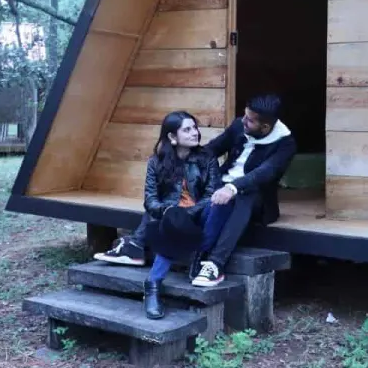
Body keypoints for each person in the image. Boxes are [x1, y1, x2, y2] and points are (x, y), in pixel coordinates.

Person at [146, 93, 296, 302]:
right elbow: (212, 150)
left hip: (254, 200)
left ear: (265, 127)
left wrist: (233, 187)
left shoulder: (285, 144)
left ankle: (215, 262)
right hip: (220, 191)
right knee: (174, 199)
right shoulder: (239, 125)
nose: (243, 120)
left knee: (245, 193)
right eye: (244, 115)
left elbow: (265, 173)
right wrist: (178, 158)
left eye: (250, 120)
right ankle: (140, 249)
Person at [93, 112, 218, 268]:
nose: (195, 133)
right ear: (172, 137)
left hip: (195, 215)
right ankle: (135, 248)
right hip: (167, 215)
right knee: (156, 209)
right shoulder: (156, 161)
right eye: (187, 130)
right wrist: (166, 211)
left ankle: (135, 246)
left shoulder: (207, 158)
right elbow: (150, 198)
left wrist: (184, 212)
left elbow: (210, 195)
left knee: (163, 214)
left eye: (194, 128)